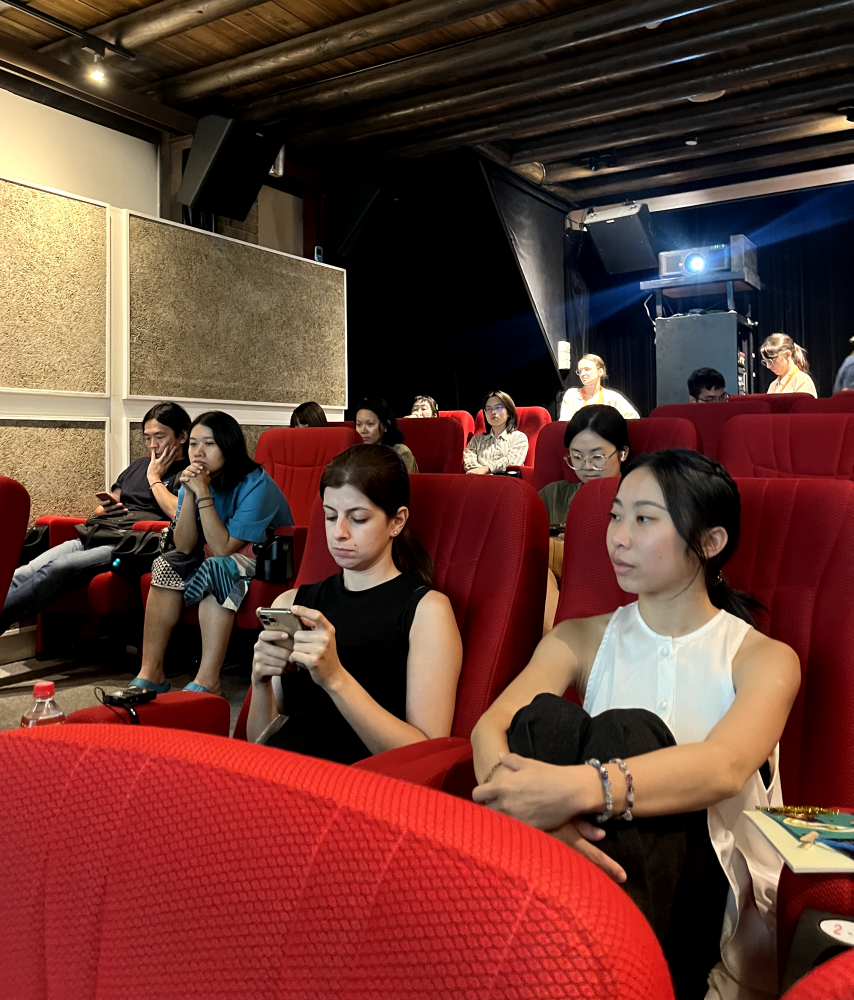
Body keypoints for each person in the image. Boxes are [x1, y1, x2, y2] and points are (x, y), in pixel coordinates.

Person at [471, 449, 799, 999]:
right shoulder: (579, 637)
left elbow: (723, 767)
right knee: (545, 720)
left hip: (706, 893)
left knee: (629, 734)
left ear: (710, 542)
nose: (618, 538)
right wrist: (532, 813)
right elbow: (490, 728)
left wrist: (570, 791)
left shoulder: (762, 658)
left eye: (644, 519)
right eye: (615, 516)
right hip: (584, 865)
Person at [247, 443, 462, 763]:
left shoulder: (427, 611)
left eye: (358, 519)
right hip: (276, 771)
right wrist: (260, 682)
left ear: (397, 521)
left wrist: (335, 678)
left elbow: (425, 758)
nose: (339, 532)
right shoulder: (293, 602)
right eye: (330, 516)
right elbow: (259, 742)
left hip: (355, 782)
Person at [0, 402, 192, 641]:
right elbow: (103, 507)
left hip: (129, 547)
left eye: (159, 437)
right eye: (147, 438)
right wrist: (108, 508)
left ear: (182, 436)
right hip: (98, 533)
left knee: (58, 567)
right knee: (26, 571)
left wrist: (154, 478)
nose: (152, 445)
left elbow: (179, 514)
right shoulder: (138, 465)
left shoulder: (188, 472)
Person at [131, 411, 293, 696]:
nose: (198, 452)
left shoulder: (256, 483)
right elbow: (184, 546)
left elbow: (224, 548)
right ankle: (151, 672)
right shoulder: (194, 480)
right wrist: (189, 494)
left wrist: (202, 492)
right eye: (193, 444)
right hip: (212, 552)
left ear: (228, 447)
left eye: (209, 444)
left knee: (218, 566)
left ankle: (208, 679)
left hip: (263, 557)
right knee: (167, 563)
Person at [539, 407, 630, 528]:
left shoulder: (641, 498)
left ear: (623, 453)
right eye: (577, 457)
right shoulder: (553, 496)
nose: (587, 467)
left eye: (597, 456)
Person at [559, 354, 640, 421]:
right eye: (580, 371)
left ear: (600, 372)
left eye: (587, 369)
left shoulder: (612, 397)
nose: (582, 374)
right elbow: (564, 424)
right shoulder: (572, 395)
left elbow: (634, 419)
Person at [355, 397, 418, 473]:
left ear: (386, 426)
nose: (363, 431)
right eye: (359, 424)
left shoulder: (400, 452)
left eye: (370, 424)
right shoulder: (355, 453)